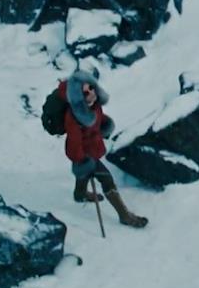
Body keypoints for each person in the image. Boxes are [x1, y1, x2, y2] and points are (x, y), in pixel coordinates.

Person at [59, 70, 148, 229]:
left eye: (91, 88)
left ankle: (80, 194)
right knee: (106, 179)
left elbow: (98, 119)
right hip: (84, 155)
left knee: (84, 175)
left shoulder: (95, 105)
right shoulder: (74, 117)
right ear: (79, 96)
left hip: (93, 148)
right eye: (85, 92)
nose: (91, 93)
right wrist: (82, 161)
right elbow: (74, 143)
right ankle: (125, 216)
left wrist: (106, 124)